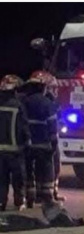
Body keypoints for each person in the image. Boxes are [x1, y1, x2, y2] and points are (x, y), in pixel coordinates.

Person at [20, 70, 60, 213]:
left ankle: (30, 197)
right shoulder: (47, 103)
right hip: (44, 144)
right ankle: (47, 196)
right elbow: (52, 125)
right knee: (46, 169)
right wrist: (54, 143)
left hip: (28, 144)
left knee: (29, 171)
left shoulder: (23, 102)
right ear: (44, 88)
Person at [0, 75, 31, 211]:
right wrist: (27, 142)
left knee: (2, 179)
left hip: (0, 152)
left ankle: (1, 202)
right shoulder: (18, 106)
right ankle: (19, 202)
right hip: (15, 151)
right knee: (18, 178)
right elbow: (24, 127)